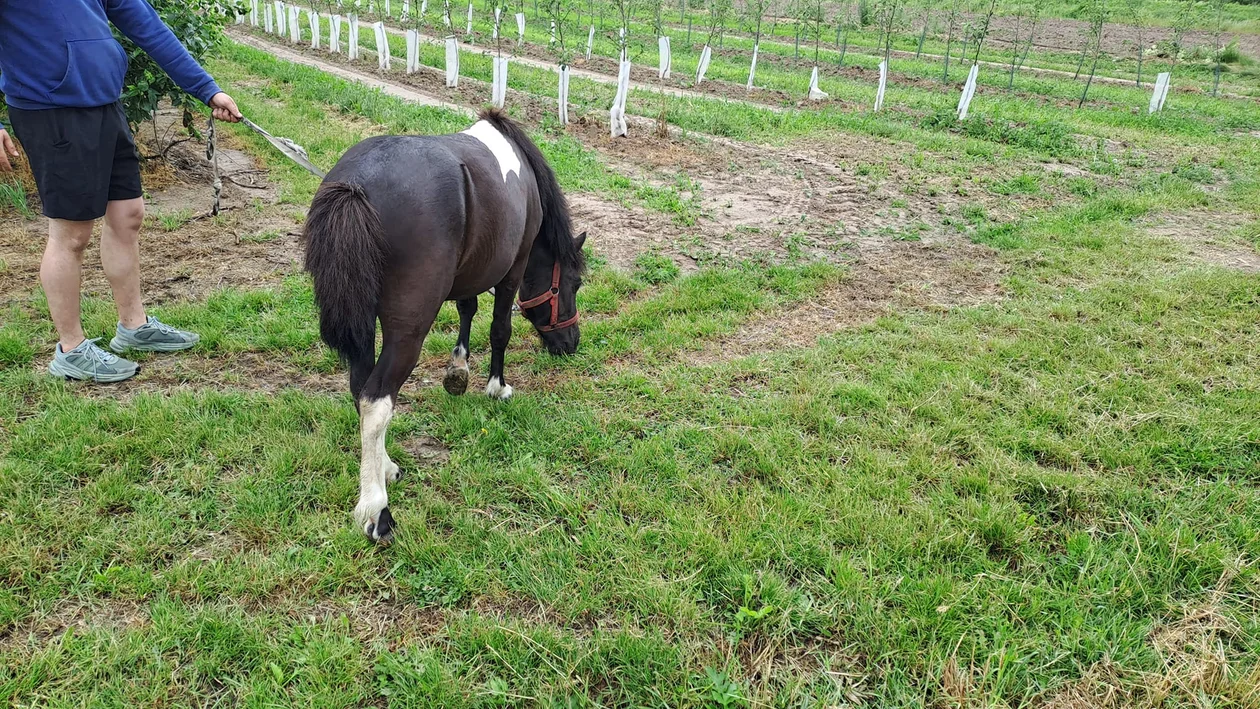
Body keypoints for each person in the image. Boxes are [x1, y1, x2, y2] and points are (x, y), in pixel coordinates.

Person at [0, 0, 244, 383]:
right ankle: (72, 349)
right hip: (49, 109)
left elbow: (147, 25)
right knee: (72, 233)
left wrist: (206, 89)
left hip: (105, 103)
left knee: (128, 215)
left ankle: (133, 326)